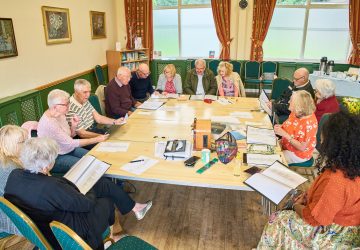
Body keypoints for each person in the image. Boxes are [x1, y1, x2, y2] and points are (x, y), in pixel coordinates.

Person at [5, 137, 152, 250]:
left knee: (102, 184)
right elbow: (86, 204)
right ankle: (106, 237)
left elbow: (55, 194)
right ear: (46, 166)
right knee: (106, 200)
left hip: (46, 223)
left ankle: (134, 207)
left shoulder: (15, 175)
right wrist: (88, 188)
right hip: (71, 233)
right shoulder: (51, 186)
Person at [257, 111, 360, 249]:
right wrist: (307, 199)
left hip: (334, 235)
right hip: (349, 227)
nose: (320, 140)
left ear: (334, 143)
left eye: (324, 137)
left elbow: (314, 219)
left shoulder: (335, 180)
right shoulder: (351, 166)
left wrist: (296, 206)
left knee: (277, 219)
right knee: (292, 198)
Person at [37, 89, 108, 174]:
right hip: (55, 157)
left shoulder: (60, 114)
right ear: (55, 107)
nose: (69, 107)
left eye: (68, 103)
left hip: (67, 149)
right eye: (65, 104)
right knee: (88, 166)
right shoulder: (49, 123)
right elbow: (70, 142)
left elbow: (69, 136)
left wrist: (74, 126)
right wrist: (97, 139)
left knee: (95, 159)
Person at [274, 90, 318, 164]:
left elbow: (301, 148)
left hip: (298, 154)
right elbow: (291, 126)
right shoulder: (296, 112)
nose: (288, 102)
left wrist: (284, 134)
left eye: (291, 101)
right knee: (268, 148)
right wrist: (281, 127)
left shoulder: (308, 124)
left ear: (298, 105)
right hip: (286, 144)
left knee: (273, 160)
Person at [0, 125, 28, 236]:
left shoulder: (6, 159)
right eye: (23, 141)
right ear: (11, 145)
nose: (27, 144)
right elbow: (25, 199)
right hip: (8, 215)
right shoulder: (10, 168)